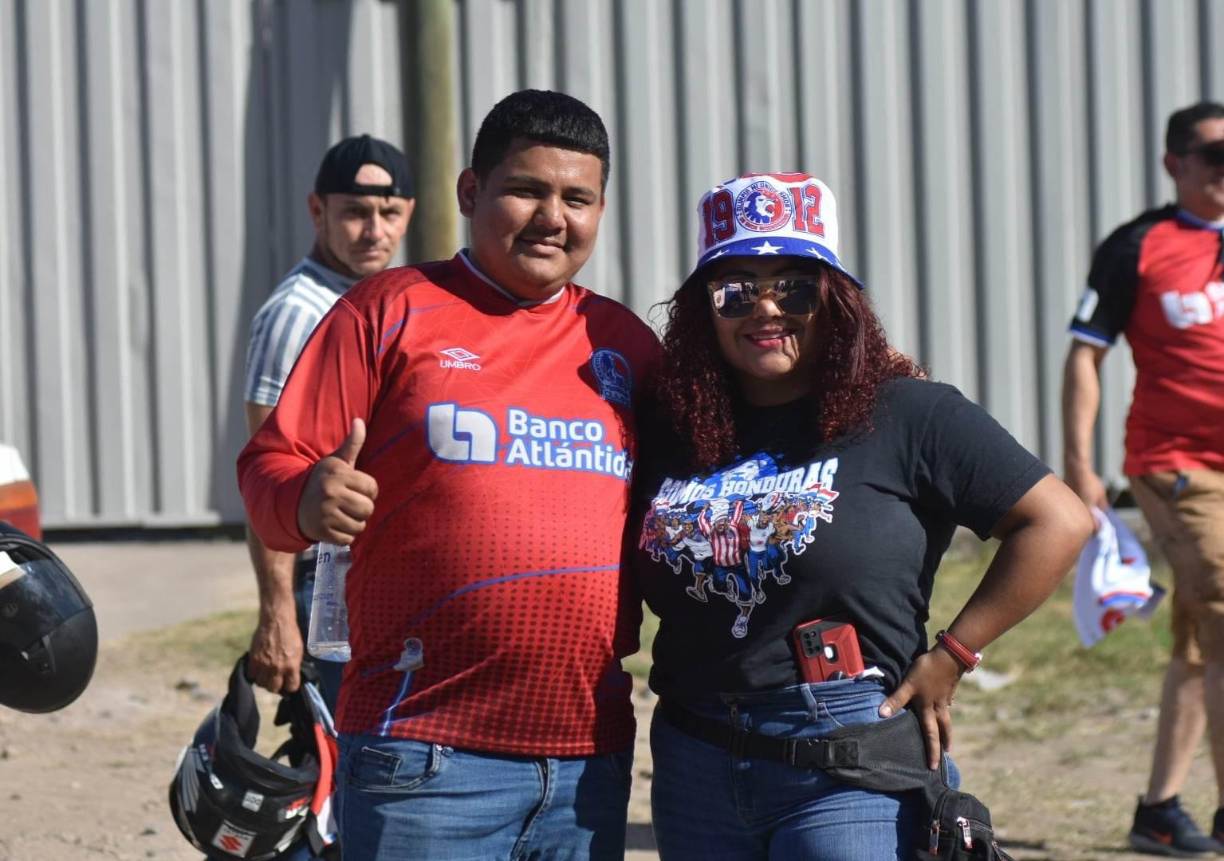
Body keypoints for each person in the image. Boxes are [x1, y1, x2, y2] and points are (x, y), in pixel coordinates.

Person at [237, 89, 660, 861]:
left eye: (577, 197)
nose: (552, 217)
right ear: (472, 192)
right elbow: (266, 466)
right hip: (424, 758)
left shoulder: (624, 343)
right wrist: (305, 496)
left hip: (588, 763)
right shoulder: (386, 312)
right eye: (526, 189)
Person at [631, 172, 1093, 859]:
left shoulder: (907, 412)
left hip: (848, 755)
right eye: (735, 290)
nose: (765, 308)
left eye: (794, 286)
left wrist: (955, 653)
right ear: (705, 309)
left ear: (835, 300)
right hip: (695, 752)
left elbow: (1059, 520)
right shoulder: (674, 428)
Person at [1062, 100, 1224, 857]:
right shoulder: (1139, 245)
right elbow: (1086, 352)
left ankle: (1157, 809)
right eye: (1213, 153)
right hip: (1179, 466)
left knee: (1200, 641)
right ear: (1175, 163)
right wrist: (1081, 465)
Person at [242, 134, 415, 714]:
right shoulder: (299, 314)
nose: (374, 231)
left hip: (381, 573)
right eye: (356, 213)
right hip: (327, 583)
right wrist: (278, 615)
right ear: (318, 211)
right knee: (349, 762)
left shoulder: (385, 299)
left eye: (389, 213)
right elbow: (267, 471)